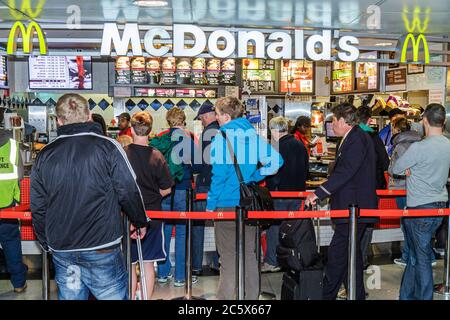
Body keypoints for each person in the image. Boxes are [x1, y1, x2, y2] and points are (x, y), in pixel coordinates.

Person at [30, 94, 148, 300]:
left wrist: (46, 242)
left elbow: (38, 206)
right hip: (102, 245)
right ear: (89, 116)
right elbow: (128, 188)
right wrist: (140, 221)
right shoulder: (108, 146)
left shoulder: (45, 154)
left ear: (58, 120)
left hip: (63, 249)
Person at [207, 96, 283, 300]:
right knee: (250, 254)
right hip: (249, 204)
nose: (215, 117)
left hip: (226, 205)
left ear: (225, 115)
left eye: (217, 113)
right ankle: (251, 299)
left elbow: (219, 175)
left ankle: (224, 300)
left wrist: (210, 205)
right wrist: (255, 176)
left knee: (228, 258)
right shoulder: (252, 135)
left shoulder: (221, 137)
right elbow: (276, 162)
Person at [305, 102, 378, 300]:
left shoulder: (356, 140)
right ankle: (357, 295)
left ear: (344, 121)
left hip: (353, 208)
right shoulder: (351, 138)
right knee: (349, 256)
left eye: (334, 120)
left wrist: (318, 193)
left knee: (338, 256)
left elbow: (346, 172)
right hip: (351, 207)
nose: (332, 124)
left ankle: (326, 296)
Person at [392, 104, 450, 300]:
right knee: (417, 253)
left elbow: (396, 168)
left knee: (422, 256)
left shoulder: (419, 147)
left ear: (424, 120)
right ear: (444, 121)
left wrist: (411, 169)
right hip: (440, 207)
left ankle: (424, 297)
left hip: (419, 208)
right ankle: (406, 295)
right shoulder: (448, 144)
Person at [124, 111, 174, 300]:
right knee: (148, 264)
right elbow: (167, 189)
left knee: (129, 263)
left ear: (131, 129)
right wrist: (153, 196)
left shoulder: (123, 154)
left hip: (127, 216)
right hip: (152, 216)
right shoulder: (157, 156)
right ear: (150, 131)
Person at [151, 107, 197, 287]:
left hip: (164, 190)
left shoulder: (161, 138)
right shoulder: (188, 139)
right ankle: (180, 276)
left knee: (164, 232)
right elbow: (199, 166)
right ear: (183, 120)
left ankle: (162, 273)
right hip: (182, 189)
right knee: (182, 233)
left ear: (168, 121)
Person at [387, 118, 436, 268]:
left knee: (408, 225)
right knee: (415, 225)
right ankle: (419, 255)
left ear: (396, 129)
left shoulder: (400, 146)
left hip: (402, 189)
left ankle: (411, 256)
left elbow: (394, 169)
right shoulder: (420, 144)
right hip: (420, 190)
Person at [264, 116, 308, 272]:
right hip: (297, 194)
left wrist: (270, 188)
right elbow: (306, 170)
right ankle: (291, 260)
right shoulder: (300, 145)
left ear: (274, 131)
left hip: (279, 194)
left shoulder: (276, 147)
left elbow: (272, 173)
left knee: (274, 228)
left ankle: (272, 262)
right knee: (292, 229)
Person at [356, 106, 390, 270]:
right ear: (369, 120)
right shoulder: (374, 137)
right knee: (367, 224)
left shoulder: (349, 136)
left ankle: (351, 259)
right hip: (372, 187)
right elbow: (385, 163)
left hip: (352, 188)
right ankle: (361, 259)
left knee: (351, 224)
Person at [191, 102, 220, 276]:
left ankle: (196, 266)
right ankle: (219, 263)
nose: (201, 121)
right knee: (221, 224)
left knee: (198, 225)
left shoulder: (208, 133)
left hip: (205, 183)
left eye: (202, 118)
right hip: (220, 184)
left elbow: (201, 162)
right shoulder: (224, 131)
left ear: (209, 115)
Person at [0, 119, 28, 293]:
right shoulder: (11, 143)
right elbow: (19, 175)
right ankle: (18, 283)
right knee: (11, 244)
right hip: (7, 204)